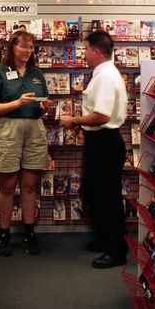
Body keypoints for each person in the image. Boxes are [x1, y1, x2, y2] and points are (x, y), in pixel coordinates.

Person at [61, 31, 128, 268]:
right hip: (101, 142)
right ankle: (105, 240)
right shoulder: (104, 73)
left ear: (96, 51)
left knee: (107, 198)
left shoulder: (106, 77)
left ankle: (116, 251)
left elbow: (101, 116)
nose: (84, 53)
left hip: (105, 143)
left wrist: (75, 121)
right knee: (97, 194)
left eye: (86, 49)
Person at [0, 31, 53, 256]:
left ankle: (29, 232)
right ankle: (4, 233)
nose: (27, 50)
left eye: (31, 47)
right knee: (6, 186)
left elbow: (41, 105)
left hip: (33, 130)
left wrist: (44, 108)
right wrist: (17, 103)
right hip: (6, 131)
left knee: (29, 186)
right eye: (23, 46)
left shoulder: (37, 74)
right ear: (12, 47)